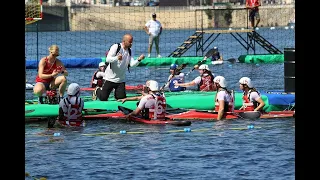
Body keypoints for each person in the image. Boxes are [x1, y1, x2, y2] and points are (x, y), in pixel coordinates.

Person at [93, 34, 145, 101]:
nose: (131, 43)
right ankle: (97, 90)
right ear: (124, 41)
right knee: (103, 98)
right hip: (109, 78)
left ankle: (116, 93)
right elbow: (107, 59)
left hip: (120, 80)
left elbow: (132, 65)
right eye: (130, 42)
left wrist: (139, 59)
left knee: (121, 99)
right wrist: (117, 58)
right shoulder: (116, 47)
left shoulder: (130, 51)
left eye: (132, 42)